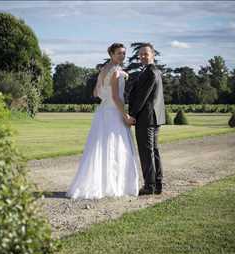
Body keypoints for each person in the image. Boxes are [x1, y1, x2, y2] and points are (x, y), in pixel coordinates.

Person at [66, 43, 139, 199]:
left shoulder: (105, 70)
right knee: (115, 146)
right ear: (111, 54)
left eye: (124, 53)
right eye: (119, 53)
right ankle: (113, 185)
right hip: (113, 112)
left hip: (103, 112)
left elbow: (96, 93)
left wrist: (122, 75)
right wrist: (125, 115)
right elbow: (115, 96)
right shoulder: (114, 71)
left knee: (101, 147)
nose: (122, 56)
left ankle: (100, 184)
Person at [128, 43, 166, 195]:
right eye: (141, 54)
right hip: (154, 118)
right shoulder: (153, 71)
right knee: (153, 151)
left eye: (146, 54)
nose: (143, 56)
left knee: (146, 152)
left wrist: (132, 115)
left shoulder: (150, 72)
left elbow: (142, 98)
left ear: (153, 55)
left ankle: (149, 186)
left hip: (146, 118)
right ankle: (157, 184)